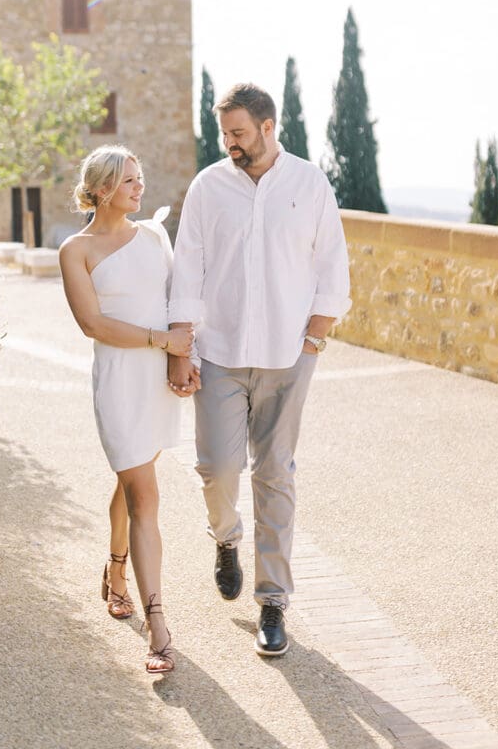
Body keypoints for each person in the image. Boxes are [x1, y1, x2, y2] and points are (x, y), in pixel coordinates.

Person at [167, 83, 350, 656]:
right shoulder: (208, 186)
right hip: (218, 352)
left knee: (275, 475)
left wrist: (314, 341)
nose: (230, 144)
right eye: (225, 134)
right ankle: (225, 540)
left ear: (269, 128)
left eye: (239, 133)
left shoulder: (309, 184)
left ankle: (273, 602)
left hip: (286, 355)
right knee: (217, 468)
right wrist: (181, 347)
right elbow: (188, 264)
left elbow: (331, 264)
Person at [59, 145, 196, 674]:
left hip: (157, 378)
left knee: (133, 481)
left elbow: (176, 299)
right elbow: (93, 324)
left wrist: (182, 359)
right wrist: (164, 342)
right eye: (129, 182)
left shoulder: (156, 235)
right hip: (118, 381)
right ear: (99, 190)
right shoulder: (77, 249)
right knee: (144, 492)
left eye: (141, 178)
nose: (140, 189)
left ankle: (116, 570)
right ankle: (157, 623)